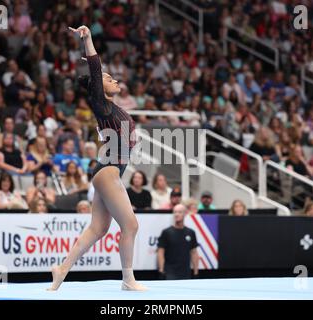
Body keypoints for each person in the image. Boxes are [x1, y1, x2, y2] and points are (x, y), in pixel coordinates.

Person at [48, 26, 145, 291]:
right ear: (98, 86)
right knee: (131, 225)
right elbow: (95, 69)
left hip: (107, 170)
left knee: (98, 229)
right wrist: (88, 40)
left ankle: (62, 268)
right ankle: (128, 279)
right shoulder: (100, 104)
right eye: (109, 78)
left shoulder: (113, 109)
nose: (116, 81)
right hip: (109, 171)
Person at [157, 204, 199, 280]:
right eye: (175, 212)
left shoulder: (191, 232)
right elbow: (160, 252)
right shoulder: (166, 232)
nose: (177, 214)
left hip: (186, 273)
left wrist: (196, 272)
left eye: (179, 212)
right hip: (170, 273)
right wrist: (161, 270)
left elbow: (194, 252)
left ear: (185, 214)